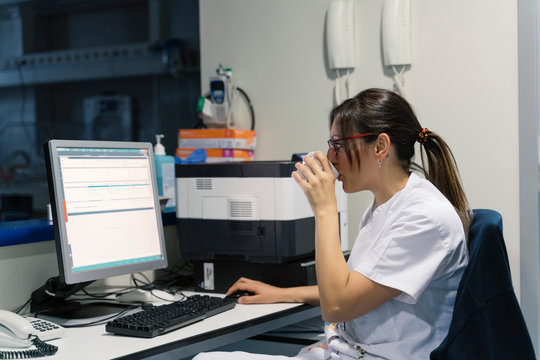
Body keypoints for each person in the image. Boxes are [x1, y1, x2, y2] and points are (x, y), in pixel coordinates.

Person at [193, 88, 472, 360]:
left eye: (339, 144)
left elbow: (337, 305)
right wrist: (282, 293)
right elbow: (356, 286)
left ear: (380, 146)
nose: (330, 157)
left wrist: (325, 209)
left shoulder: (423, 218)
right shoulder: (386, 205)